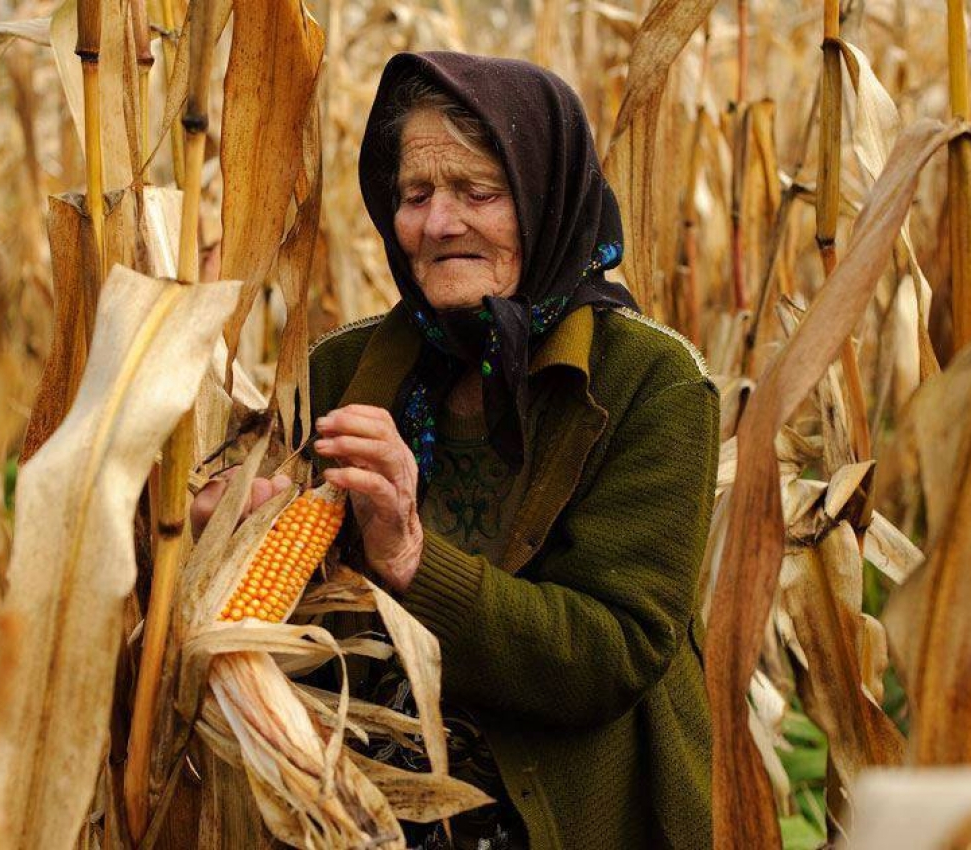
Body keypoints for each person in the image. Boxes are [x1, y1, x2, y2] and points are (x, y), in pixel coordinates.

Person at [193, 52, 718, 850]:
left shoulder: (650, 382)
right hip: (364, 812)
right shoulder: (340, 370)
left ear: (546, 199)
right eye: (415, 195)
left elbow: (612, 654)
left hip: (564, 820)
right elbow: (295, 639)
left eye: (479, 192)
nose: (438, 224)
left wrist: (409, 554)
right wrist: (230, 544)